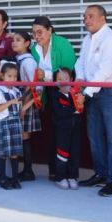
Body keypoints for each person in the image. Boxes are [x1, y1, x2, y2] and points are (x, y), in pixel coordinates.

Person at [75, 4, 112, 197]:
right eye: (85, 16)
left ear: (103, 18)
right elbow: (80, 62)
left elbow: (105, 71)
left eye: (91, 16)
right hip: (90, 92)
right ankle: (101, 174)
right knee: (94, 136)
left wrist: (85, 93)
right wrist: (80, 80)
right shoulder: (87, 39)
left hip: (110, 93)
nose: (86, 20)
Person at [30, 16, 77, 180]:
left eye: (40, 32)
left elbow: (69, 69)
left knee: (66, 134)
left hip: (63, 93)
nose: (36, 36)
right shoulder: (34, 49)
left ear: (50, 30)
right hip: (46, 95)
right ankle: (54, 171)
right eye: (34, 33)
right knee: (51, 133)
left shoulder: (62, 43)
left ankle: (68, 173)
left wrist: (46, 75)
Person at [13, 31, 41, 181]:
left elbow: (33, 86)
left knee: (25, 136)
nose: (14, 43)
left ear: (27, 43)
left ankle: (28, 170)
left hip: (26, 102)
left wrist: (24, 106)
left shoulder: (28, 61)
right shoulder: (18, 59)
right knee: (21, 136)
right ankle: (23, 169)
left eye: (18, 40)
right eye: (13, 40)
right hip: (19, 100)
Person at [0, 62, 24, 190]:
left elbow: (20, 110)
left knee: (14, 153)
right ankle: (3, 178)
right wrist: (11, 102)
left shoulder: (17, 91)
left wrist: (33, 100)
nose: (13, 79)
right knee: (3, 153)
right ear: (2, 76)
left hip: (15, 124)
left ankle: (15, 179)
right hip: (4, 123)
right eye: (9, 76)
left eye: (15, 76)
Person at [51, 67, 83, 190]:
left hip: (76, 129)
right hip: (62, 129)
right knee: (62, 153)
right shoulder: (55, 95)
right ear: (55, 82)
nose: (63, 81)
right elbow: (59, 112)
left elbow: (80, 110)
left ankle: (72, 176)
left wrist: (79, 104)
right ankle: (60, 177)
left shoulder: (76, 94)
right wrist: (74, 108)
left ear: (72, 79)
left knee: (74, 152)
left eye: (66, 78)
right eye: (59, 79)